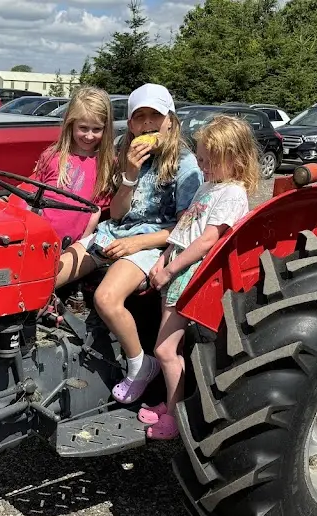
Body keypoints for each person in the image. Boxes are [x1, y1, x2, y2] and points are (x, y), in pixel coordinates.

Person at [53, 83, 203, 405]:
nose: (147, 124)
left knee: (107, 298)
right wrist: (131, 174)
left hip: (153, 242)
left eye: (155, 116)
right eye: (140, 118)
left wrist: (138, 244)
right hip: (115, 231)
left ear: (170, 121)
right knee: (50, 274)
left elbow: (186, 228)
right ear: (131, 124)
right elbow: (118, 212)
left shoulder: (185, 165)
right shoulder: (128, 153)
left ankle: (140, 365)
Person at [139, 114, 260, 440]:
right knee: (167, 347)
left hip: (192, 271)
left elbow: (208, 240)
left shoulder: (232, 193)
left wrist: (171, 269)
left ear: (234, 158)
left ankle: (176, 418)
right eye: (202, 159)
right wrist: (164, 256)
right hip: (177, 262)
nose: (203, 166)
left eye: (209, 161)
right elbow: (185, 229)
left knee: (165, 350)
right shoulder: (210, 186)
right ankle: (171, 403)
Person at [29, 86, 117, 247]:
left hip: (73, 246)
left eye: (97, 129)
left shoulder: (107, 164)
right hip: (38, 241)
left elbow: (95, 210)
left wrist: (81, 244)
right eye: (83, 128)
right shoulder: (51, 156)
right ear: (71, 123)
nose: (89, 136)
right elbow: (32, 199)